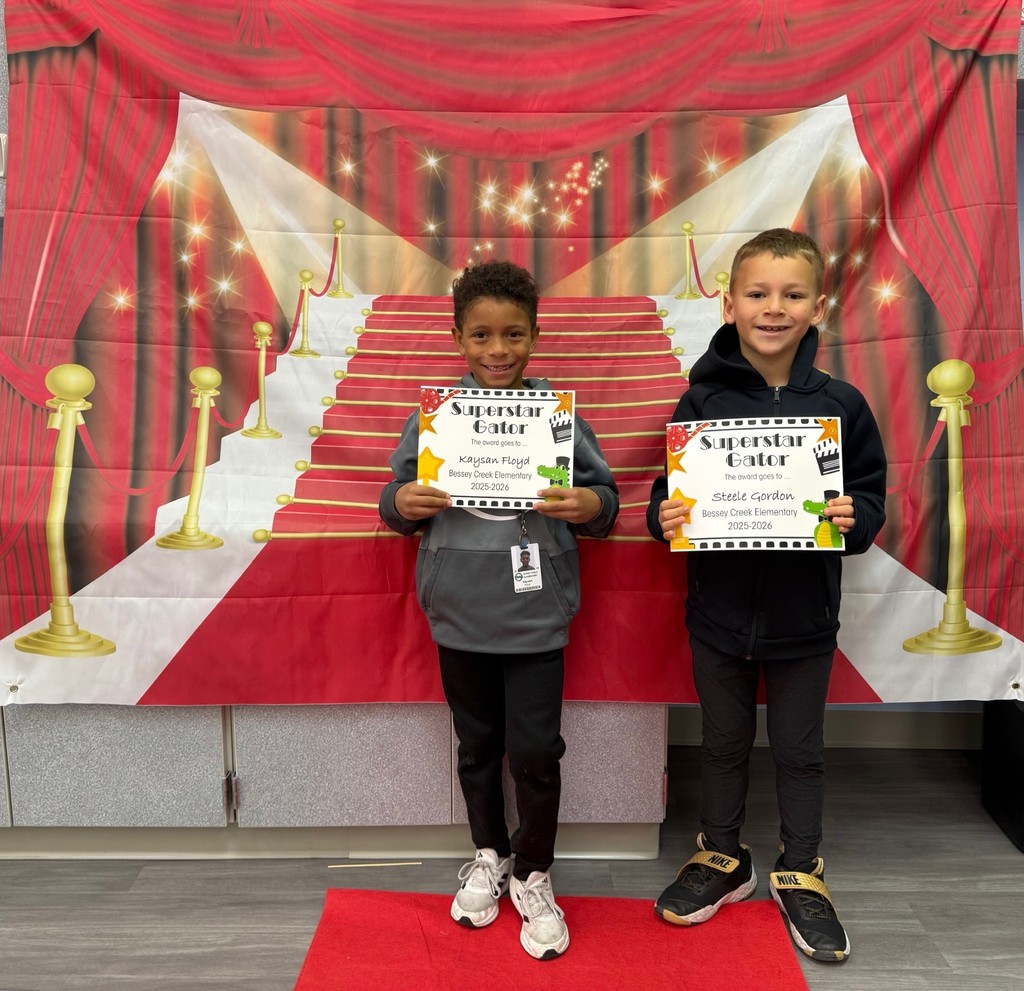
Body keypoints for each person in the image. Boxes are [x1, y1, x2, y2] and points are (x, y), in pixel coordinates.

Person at [646, 228, 886, 963]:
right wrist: (664, 515)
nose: (773, 308)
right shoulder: (701, 397)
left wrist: (854, 518)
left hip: (802, 619)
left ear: (819, 306)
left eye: (790, 295)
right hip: (716, 616)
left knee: (799, 749)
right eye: (758, 293)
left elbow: (869, 500)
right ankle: (722, 856)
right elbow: (669, 498)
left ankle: (801, 867)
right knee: (720, 744)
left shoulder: (841, 404)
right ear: (731, 301)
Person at [379, 259, 619, 960]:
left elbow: (605, 503)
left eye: (513, 334)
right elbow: (392, 498)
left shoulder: (558, 419)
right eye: (481, 335)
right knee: (478, 746)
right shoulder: (435, 418)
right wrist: (404, 502)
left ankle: (535, 872)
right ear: (458, 338)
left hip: (537, 614)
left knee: (537, 753)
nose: (497, 350)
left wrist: (588, 505)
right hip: (458, 611)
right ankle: (490, 853)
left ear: (536, 335)